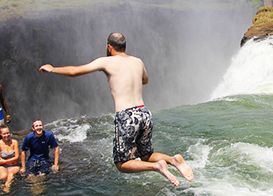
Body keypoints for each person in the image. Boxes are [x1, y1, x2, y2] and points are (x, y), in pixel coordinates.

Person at [39, 32, 194, 187]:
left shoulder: (107, 61)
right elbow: (145, 80)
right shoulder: (138, 61)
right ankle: (173, 160)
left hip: (127, 115)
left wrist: (52, 69)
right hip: (144, 112)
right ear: (124, 46)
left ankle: (157, 166)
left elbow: (75, 72)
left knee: (122, 164)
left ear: (109, 47)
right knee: (146, 155)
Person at [0, 125, 20, 189]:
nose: (6, 135)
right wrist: (11, 161)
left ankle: (7, 187)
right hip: (2, 166)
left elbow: (17, 157)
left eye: (7, 133)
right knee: (3, 176)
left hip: (14, 166)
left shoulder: (14, 142)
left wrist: (5, 161)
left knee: (10, 174)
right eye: (4, 134)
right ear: (0, 134)